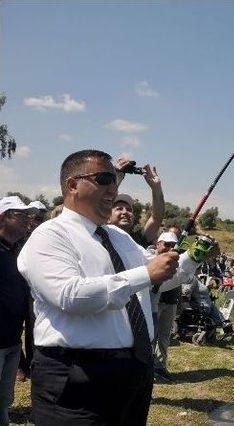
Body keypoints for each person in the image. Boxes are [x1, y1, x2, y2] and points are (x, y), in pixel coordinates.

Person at [17, 149, 201, 425]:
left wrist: (191, 260)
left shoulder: (118, 237)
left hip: (133, 371)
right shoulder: (49, 236)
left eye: (115, 181)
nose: (113, 188)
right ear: (72, 185)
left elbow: (155, 280)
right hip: (77, 376)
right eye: (104, 178)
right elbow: (70, 296)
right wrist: (145, 274)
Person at [0, 196, 33, 426]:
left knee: (4, 398)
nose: (27, 220)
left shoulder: (18, 250)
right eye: (21, 215)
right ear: (3, 217)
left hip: (12, 339)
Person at [15, 200, 48, 382]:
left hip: (33, 289)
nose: (36, 222)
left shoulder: (43, 236)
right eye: (34, 218)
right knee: (15, 327)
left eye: (40, 218)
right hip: (15, 289)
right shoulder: (18, 238)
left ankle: (31, 362)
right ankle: (20, 364)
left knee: (33, 325)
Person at [110, 159, 165, 247]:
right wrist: (117, 175)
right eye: (119, 208)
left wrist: (156, 188)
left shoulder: (138, 239)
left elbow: (156, 218)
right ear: (108, 216)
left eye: (129, 210)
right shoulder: (100, 234)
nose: (125, 212)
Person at [152, 231, 181, 383]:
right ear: (158, 244)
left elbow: (181, 281)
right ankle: (148, 368)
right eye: (166, 244)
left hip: (171, 302)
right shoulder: (150, 259)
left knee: (164, 337)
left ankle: (160, 366)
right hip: (154, 303)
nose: (170, 248)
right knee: (151, 336)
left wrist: (179, 302)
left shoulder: (177, 260)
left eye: (173, 245)